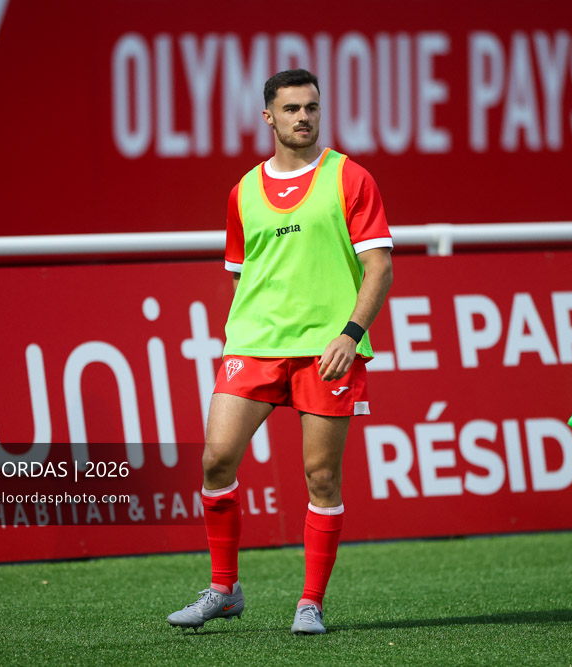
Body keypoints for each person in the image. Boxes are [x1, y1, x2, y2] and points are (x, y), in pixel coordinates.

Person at [167, 69, 393, 635]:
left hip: (327, 349)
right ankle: (224, 589)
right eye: (291, 109)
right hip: (253, 344)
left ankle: (310, 602)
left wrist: (351, 332)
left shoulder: (351, 178)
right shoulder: (242, 191)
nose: (303, 118)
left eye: (311, 108)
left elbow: (380, 267)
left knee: (321, 477)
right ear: (268, 117)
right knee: (215, 461)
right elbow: (245, 274)